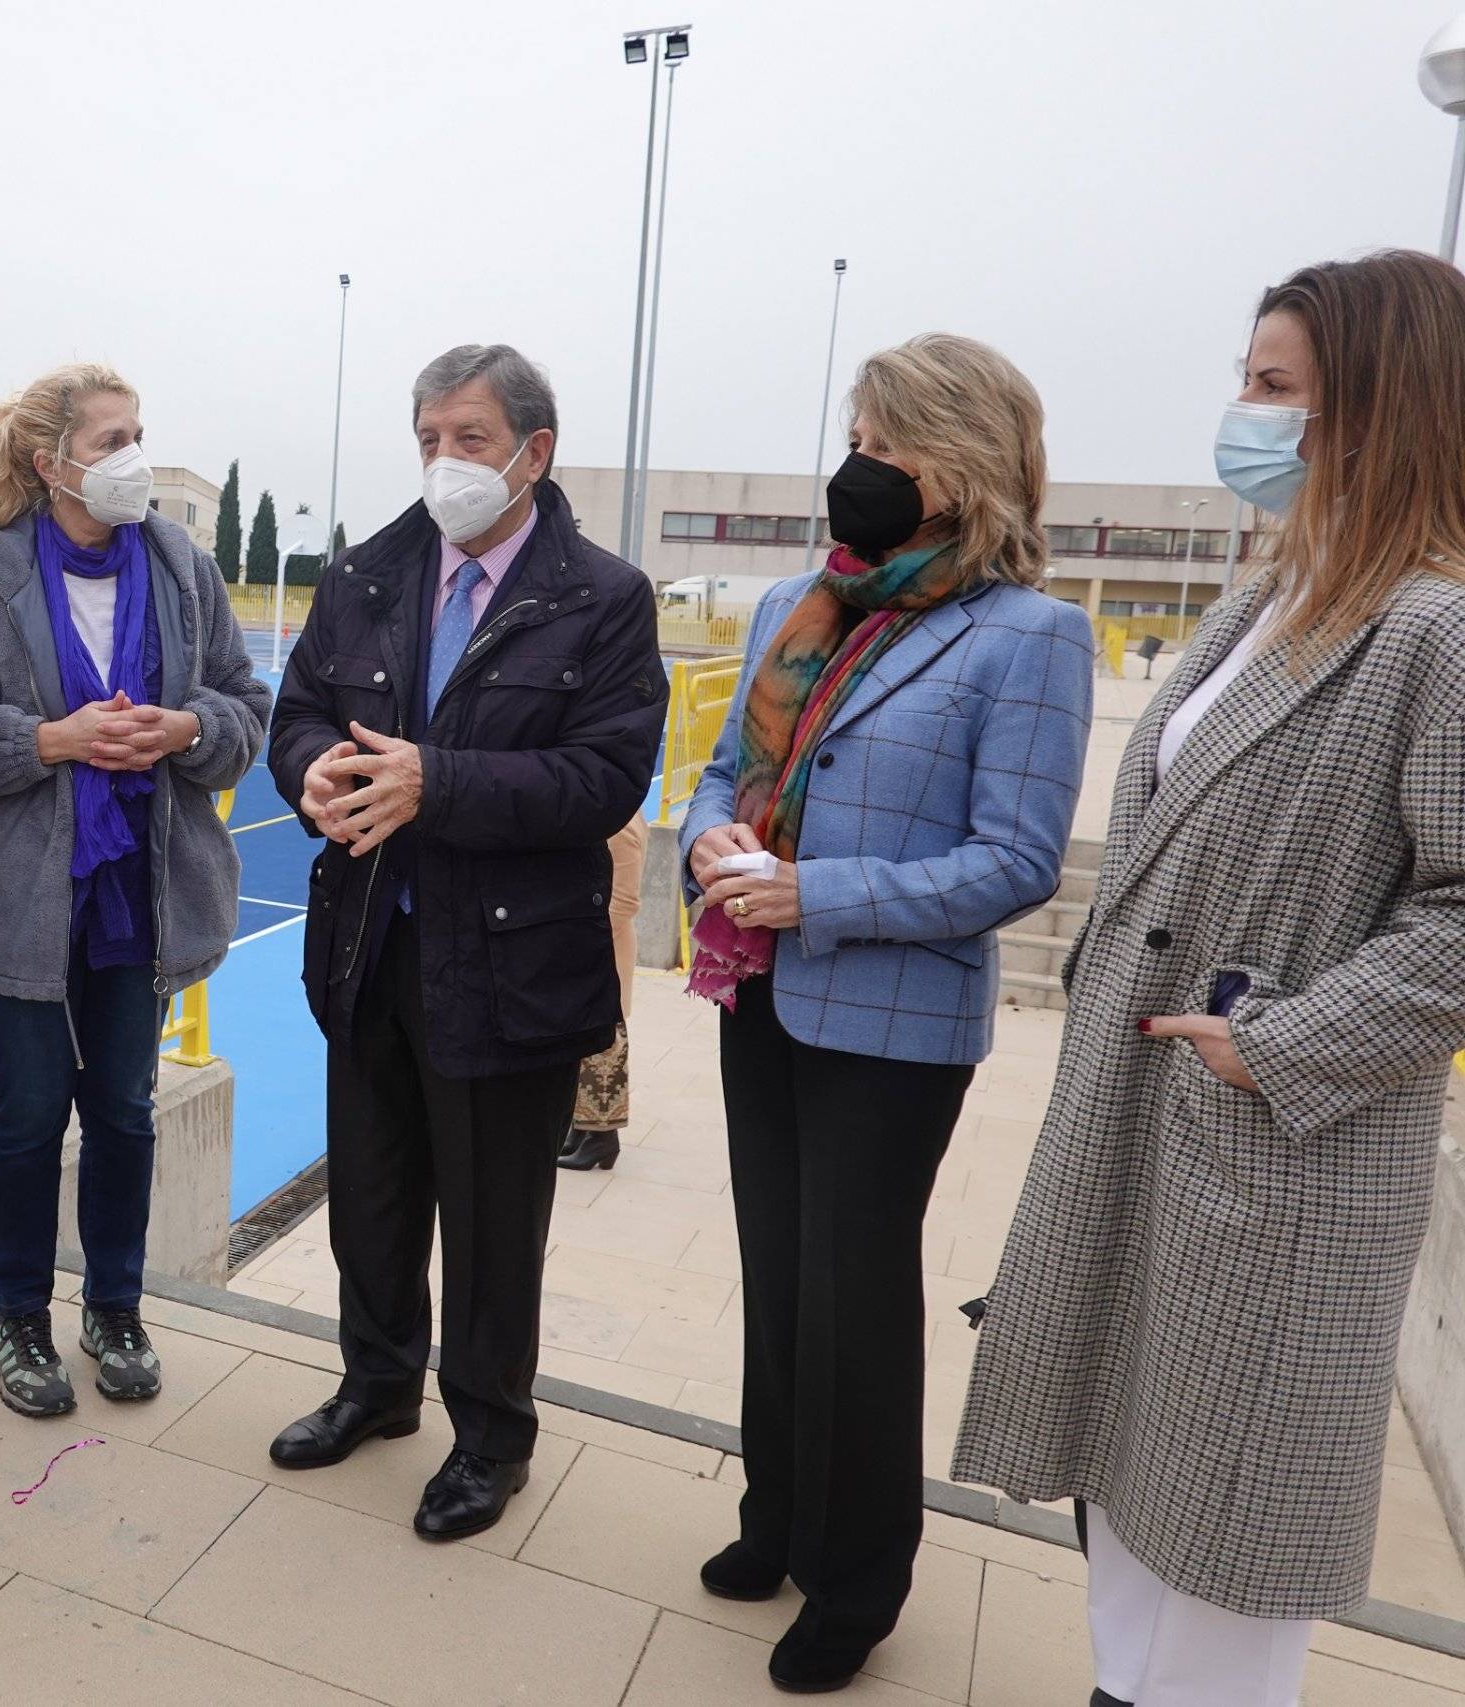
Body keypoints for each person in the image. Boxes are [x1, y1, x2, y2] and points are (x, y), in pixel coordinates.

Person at [954, 252, 1465, 1707]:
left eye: (1276, 385)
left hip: (1279, 1152)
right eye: (1249, 375)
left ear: (1380, 407)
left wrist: (1283, 1044)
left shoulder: (1437, 627)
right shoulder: (1268, 603)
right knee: (1135, 1512)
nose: (1243, 411)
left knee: (1226, 1564)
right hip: (1150, 1121)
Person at [677, 333, 1092, 1693]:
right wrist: (703, 840)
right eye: (852, 434)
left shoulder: (1030, 636)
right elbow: (729, 760)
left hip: (891, 1021)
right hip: (764, 991)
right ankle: (777, 1516)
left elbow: (1016, 860)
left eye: (880, 442)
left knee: (853, 1296)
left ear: (958, 464)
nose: (852, 465)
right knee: (779, 1274)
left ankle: (860, 1575)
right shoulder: (804, 599)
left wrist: (818, 891)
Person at [265, 344, 664, 1541]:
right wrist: (313, 778)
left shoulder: (600, 595)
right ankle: (375, 1386)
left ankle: (490, 1437)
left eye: (472, 439)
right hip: (369, 947)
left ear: (535, 454)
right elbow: (294, 713)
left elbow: (600, 777)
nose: (446, 461)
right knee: (373, 1199)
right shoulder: (366, 576)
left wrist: (434, 782)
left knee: (494, 1228)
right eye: (430, 437)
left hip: (509, 965)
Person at [0, 363, 270, 1418]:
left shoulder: (182, 565)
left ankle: (114, 1306)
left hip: (141, 887)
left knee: (122, 1108)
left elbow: (245, 706)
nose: (130, 458)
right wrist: (50, 739)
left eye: (137, 433)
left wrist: (187, 729)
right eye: (110, 440)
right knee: (26, 1112)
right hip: (20, 893)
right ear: (46, 459)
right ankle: (18, 1321)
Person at [561, 810, 647, 1170]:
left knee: (605, 1045)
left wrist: (582, 943)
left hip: (603, 949)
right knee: (583, 1043)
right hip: (591, 947)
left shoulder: (623, 824)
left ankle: (603, 1138)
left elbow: (625, 901)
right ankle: (583, 1129)